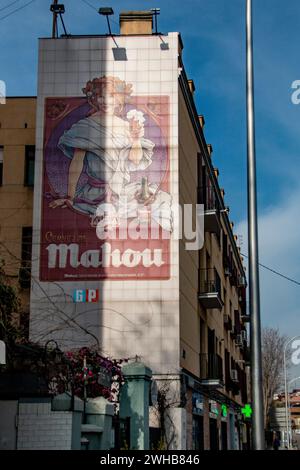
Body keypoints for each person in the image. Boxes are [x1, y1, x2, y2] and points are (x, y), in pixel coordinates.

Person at [49, 76, 172, 233]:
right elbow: (77, 162)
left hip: (123, 191)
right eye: (101, 96)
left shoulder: (127, 127)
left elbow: (134, 161)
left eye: (111, 96)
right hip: (94, 193)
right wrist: (70, 196)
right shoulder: (85, 126)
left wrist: (135, 140)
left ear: (119, 99)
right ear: (94, 98)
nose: (106, 101)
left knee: (162, 202)